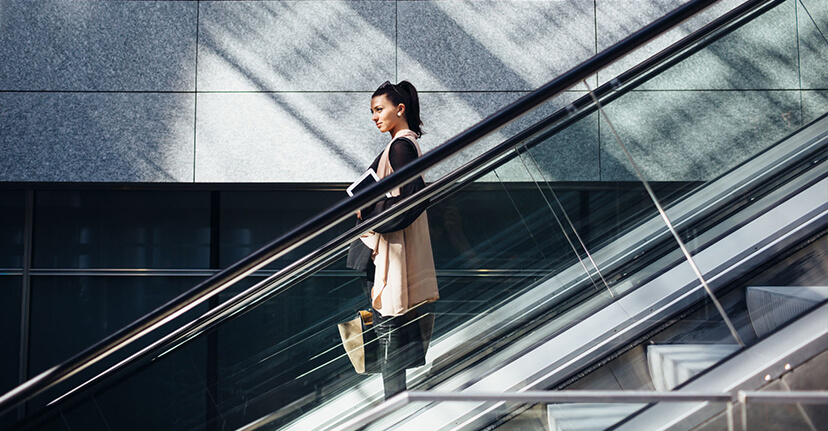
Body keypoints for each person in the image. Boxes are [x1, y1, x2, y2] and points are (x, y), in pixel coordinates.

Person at [346, 80, 439, 399]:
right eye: (372, 111)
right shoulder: (402, 145)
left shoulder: (401, 146)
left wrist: (368, 208)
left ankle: (393, 407)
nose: (374, 116)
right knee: (391, 332)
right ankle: (395, 403)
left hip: (389, 256)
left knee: (388, 334)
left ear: (400, 109)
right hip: (388, 254)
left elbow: (413, 199)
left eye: (379, 109)